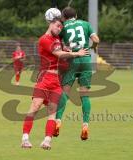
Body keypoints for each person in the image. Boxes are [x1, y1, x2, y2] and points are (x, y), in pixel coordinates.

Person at [21, 9, 89, 150]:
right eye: (57, 26)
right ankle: (25, 138)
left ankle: (47, 141)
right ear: (50, 23)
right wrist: (77, 53)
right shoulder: (44, 39)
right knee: (34, 107)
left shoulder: (57, 39)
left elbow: (62, 49)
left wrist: (68, 49)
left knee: (52, 112)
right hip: (44, 78)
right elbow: (59, 54)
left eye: (61, 27)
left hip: (56, 81)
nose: (59, 29)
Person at [54, 7, 100, 140]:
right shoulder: (85, 24)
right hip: (86, 59)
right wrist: (93, 48)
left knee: (65, 92)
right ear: (76, 15)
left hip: (72, 60)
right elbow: (96, 40)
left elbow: (56, 43)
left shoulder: (63, 27)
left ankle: (58, 121)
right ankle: (85, 125)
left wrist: (65, 47)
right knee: (85, 95)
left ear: (64, 17)